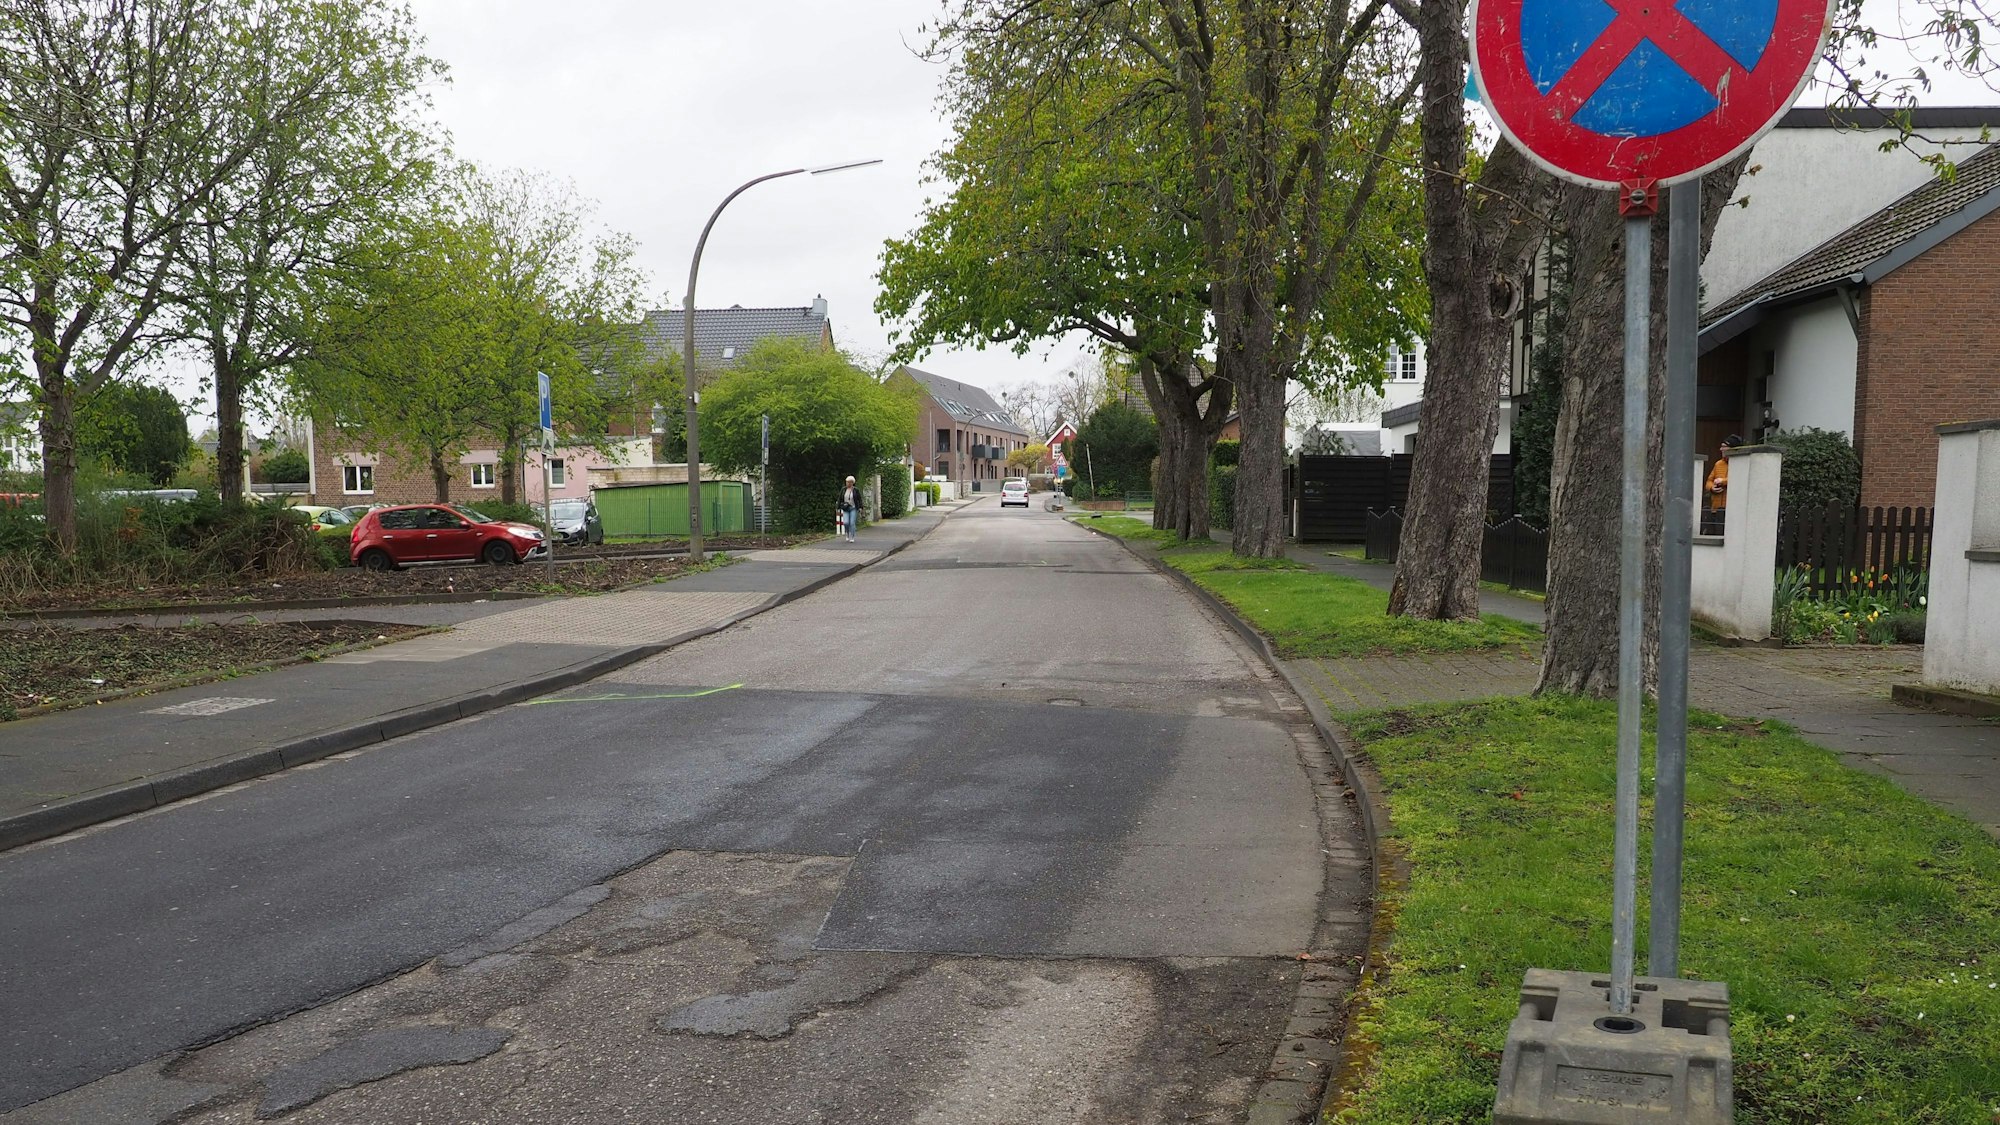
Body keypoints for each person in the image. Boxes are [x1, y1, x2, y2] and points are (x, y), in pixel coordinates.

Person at [1702, 435, 1740, 535]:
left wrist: (1723, 481)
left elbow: (1739, 479)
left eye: (1724, 446)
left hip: (1731, 510)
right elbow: (1709, 481)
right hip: (1715, 508)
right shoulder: (1718, 464)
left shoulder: (1740, 463)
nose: (1721, 449)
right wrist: (1711, 488)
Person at [838, 475, 862, 542]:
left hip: (853, 508)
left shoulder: (856, 490)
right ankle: (847, 534)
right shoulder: (843, 489)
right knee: (846, 522)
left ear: (852, 483)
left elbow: (859, 499)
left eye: (849, 482)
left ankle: (852, 536)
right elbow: (840, 498)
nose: (848, 483)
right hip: (846, 508)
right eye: (847, 482)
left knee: (852, 523)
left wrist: (860, 507)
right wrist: (838, 507)